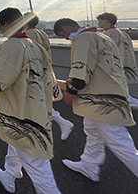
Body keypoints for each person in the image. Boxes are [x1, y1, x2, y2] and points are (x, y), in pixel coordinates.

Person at [0, 8, 62, 194]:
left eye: (0, 24)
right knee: (15, 145)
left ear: (4, 24)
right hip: (35, 105)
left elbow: (0, 77)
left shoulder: (11, 45)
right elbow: (48, 77)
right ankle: (10, 175)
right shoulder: (36, 46)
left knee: (38, 166)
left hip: (22, 111)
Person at [54, 18, 138, 182]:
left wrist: (71, 89)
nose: (65, 38)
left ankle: (90, 165)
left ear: (66, 27)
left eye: (63, 34)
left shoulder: (82, 39)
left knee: (119, 141)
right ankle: (89, 164)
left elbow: (82, 66)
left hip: (102, 100)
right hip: (108, 93)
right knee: (92, 130)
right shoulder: (102, 37)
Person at [24, 12, 74, 140]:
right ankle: (63, 123)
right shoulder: (42, 33)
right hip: (45, 72)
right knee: (41, 104)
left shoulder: (29, 34)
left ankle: (60, 124)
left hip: (34, 75)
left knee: (36, 105)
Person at [96, 12, 138, 110]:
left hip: (115, 67)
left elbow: (105, 50)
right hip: (123, 66)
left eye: (100, 21)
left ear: (106, 22)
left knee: (121, 94)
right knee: (122, 93)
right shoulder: (119, 32)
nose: (98, 24)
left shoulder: (110, 33)